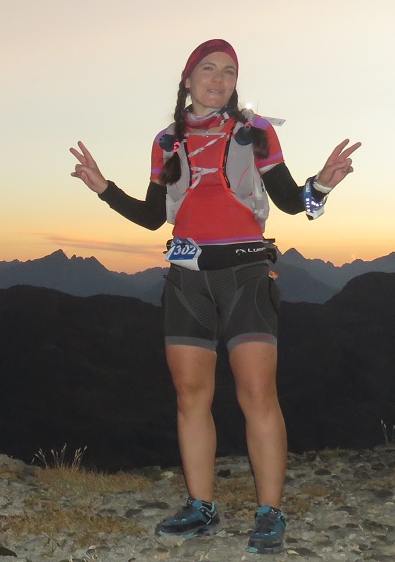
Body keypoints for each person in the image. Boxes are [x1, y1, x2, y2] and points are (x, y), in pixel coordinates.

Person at [69, 39, 360, 555]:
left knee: (257, 394)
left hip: (246, 272)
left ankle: (270, 512)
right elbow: (154, 215)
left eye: (229, 71)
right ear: (188, 79)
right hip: (186, 276)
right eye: (209, 69)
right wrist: (102, 187)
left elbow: (294, 203)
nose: (219, 79)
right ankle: (201, 506)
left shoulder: (255, 131)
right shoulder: (166, 142)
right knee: (190, 397)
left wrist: (323, 185)